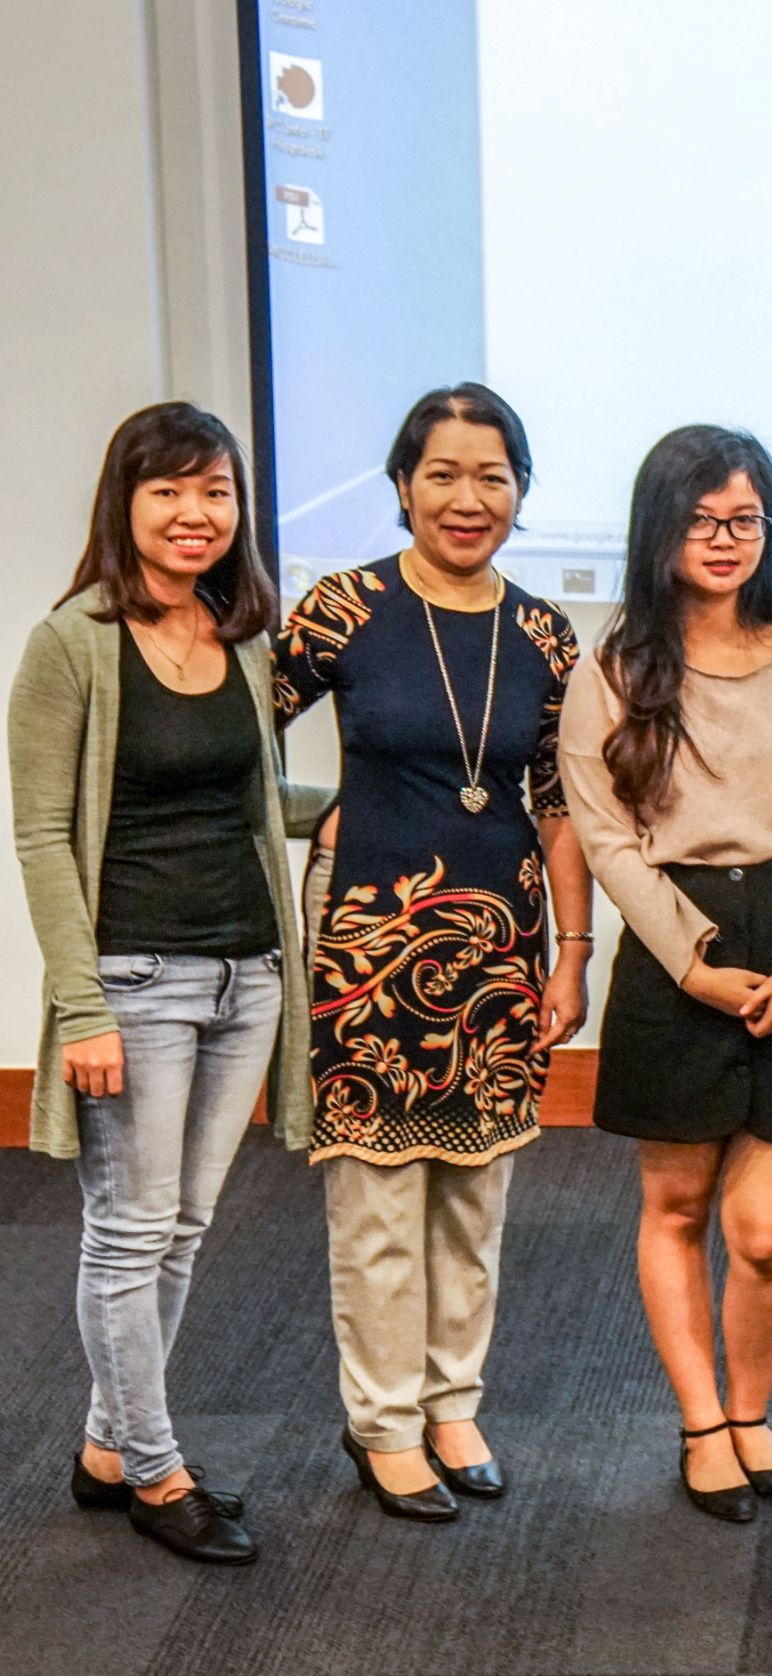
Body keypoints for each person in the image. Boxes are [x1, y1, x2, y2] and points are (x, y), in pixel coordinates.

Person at [10, 403, 319, 1565]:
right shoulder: (72, 642)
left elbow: (246, 799)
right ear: (124, 504)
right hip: (134, 976)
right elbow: (43, 835)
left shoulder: (239, 635)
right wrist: (79, 1002)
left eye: (217, 492)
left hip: (248, 971)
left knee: (184, 1226)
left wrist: (352, 807)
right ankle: (155, 1468)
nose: (195, 515)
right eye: (169, 491)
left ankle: (107, 1446)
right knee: (129, 1227)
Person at [276, 382, 591, 1521]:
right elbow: (227, 730)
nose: (469, 498)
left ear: (519, 491)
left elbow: (558, 804)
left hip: (502, 944)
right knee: (376, 1197)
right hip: (368, 942)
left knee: (475, 1191)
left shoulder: (543, 631)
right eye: (444, 474)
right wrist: (306, 809)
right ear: (403, 486)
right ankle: (384, 1424)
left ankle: (455, 1403)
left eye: (492, 475)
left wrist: (573, 952)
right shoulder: (342, 609)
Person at [561, 425, 772, 1522]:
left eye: (745, 519)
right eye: (701, 520)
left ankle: (751, 1411)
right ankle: (701, 1422)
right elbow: (605, 839)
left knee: (765, 1228)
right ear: (660, 530)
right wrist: (690, 961)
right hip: (670, 948)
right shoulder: (612, 676)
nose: (725, 538)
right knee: (680, 1199)